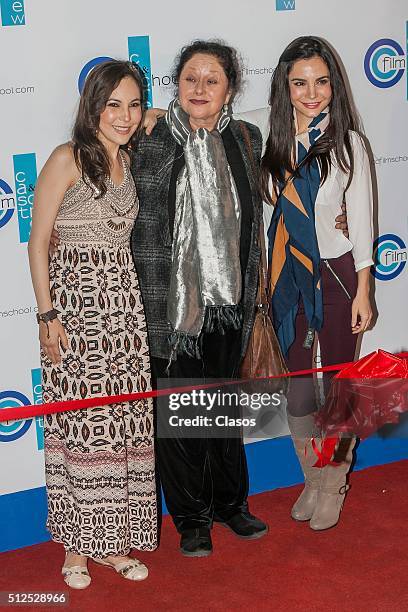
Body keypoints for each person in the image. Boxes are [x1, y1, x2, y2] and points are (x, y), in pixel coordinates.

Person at [131, 40, 268, 557]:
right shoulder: (148, 137)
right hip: (170, 304)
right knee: (181, 418)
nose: (201, 88)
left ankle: (231, 505)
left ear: (230, 86)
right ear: (176, 84)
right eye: (191, 78)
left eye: (213, 79)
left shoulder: (248, 138)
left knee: (224, 412)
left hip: (231, 300)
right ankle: (191, 519)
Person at [28, 60, 157, 589]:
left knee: (123, 426)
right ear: (92, 106)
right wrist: (46, 315)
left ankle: (116, 541)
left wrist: (154, 114)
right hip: (76, 314)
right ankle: (78, 549)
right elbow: (38, 242)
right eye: (113, 104)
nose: (124, 116)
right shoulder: (67, 158)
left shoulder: (126, 158)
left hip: (123, 314)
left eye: (133, 104)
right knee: (83, 427)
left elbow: (167, 116)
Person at [237, 36, 373, 530]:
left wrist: (364, 288)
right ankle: (313, 480)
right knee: (296, 388)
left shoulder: (348, 144)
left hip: (336, 275)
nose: (311, 93)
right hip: (284, 278)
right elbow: (203, 116)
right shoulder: (261, 130)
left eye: (320, 82)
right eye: (299, 83)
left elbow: (360, 222)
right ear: (285, 86)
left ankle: (332, 485)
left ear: (333, 85)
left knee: (337, 384)